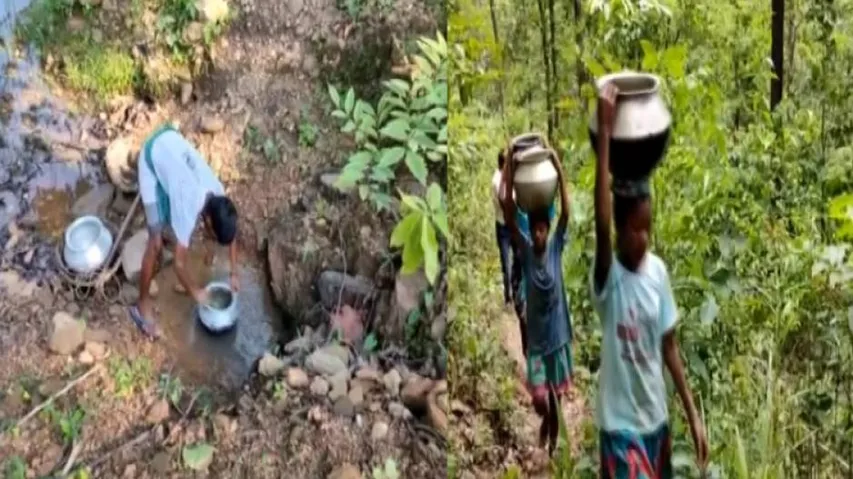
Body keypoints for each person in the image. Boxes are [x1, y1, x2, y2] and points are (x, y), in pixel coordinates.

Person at [592, 82, 708, 476]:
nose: (643, 237)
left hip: (656, 423)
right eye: (635, 229)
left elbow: (669, 347)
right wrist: (606, 131)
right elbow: (601, 220)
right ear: (620, 229)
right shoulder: (610, 280)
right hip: (621, 429)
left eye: (648, 228)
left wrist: (693, 416)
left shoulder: (658, 273)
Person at [129, 124, 241, 339]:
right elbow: (179, 265)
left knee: (179, 226)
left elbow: (231, 230)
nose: (214, 240)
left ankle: (176, 231)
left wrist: (234, 273)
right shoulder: (188, 208)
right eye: (213, 235)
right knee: (155, 243)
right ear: (207, 219)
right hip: (153, 155)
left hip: (172, 141)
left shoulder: (218, 192)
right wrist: (195, 292)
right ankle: (141, 306)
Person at [501, 145, 572, 454]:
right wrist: (510, 168)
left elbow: (567, 212)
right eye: (538, 231)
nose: (541, 235)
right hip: (538, 344)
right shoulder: (527, 252)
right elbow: (506, 206)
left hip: (557, 340)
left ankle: (554, 444)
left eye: (544, 230)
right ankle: (544, 422)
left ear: (548, 230)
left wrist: (557, 164)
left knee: (555, 398)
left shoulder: (556, 247)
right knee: (540, 399)